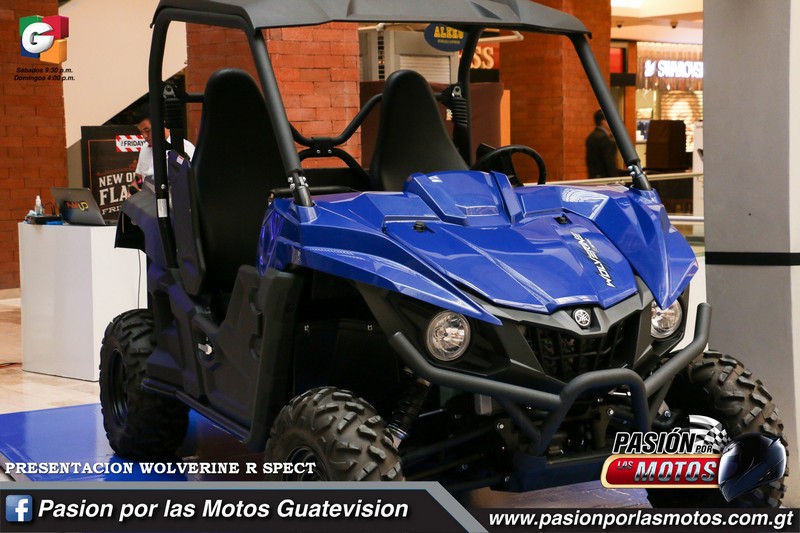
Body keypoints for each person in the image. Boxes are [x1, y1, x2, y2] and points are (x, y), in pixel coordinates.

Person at [131, 104, 195, 193]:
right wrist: (132, 191)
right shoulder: (144, 149)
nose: (144, 136)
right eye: (141, 132)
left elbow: (193, 183)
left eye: (147, 130)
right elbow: (138, 178)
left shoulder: (182, 147)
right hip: (146, 199)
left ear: (159, 124)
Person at [585, 109, 623, 179]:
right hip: (605, 178)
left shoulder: (591, 136)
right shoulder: (604, 138)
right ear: (603, 122)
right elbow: (609, 161)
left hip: (593, 177)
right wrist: (615, 179)